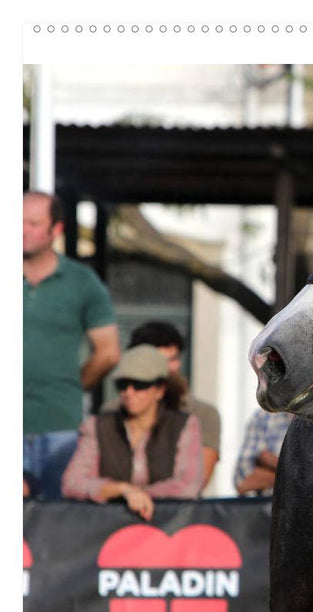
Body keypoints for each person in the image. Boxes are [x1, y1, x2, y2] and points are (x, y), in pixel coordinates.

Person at [23, 191, 121, 500]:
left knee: (60, 518)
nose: (22, 230)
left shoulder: (81, 282)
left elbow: (108, 352)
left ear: (57, 229)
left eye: (33, 223)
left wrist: (70, 385)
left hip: (61, 428)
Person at [62, 345, 204, 520]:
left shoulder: (185, 425)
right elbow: (72, 483)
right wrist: (122, 490)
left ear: (160, 390)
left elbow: (188, 485)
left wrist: (138, 495)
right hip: (107, 526)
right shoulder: (97, 425)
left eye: (139, 385)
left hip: (168, 525)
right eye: (122, 385)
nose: (129, 392)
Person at [126, 321, 221, 489]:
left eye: (173, 359)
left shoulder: (203, 414)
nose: (168, 369)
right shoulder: (114, 413)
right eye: (159, 361)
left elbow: (197, 480)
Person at [234, 408, 294, 496]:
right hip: (268, 502)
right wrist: (297, 475)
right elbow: (243, 481)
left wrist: (270, 463)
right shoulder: (263, 416)